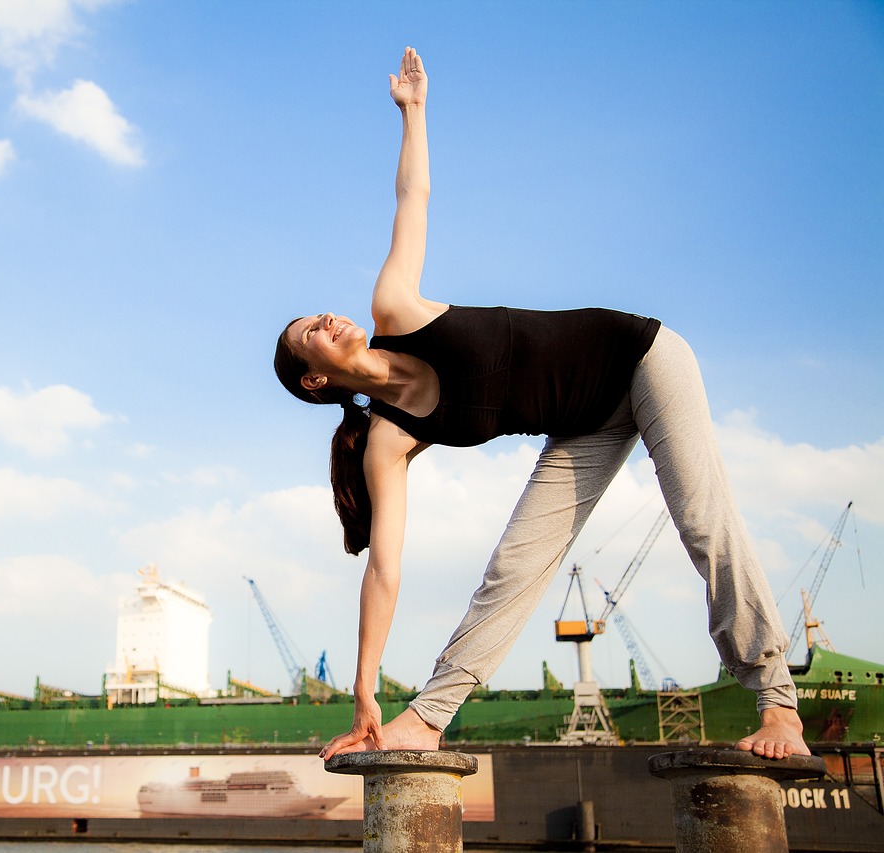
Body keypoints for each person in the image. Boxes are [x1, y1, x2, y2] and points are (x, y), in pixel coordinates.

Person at [273, 47, 809, 761]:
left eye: (318, 313)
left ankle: (778, 705)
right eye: (311, 332)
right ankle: (425, 718)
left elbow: (413, 199)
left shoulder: (395, 307)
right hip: (585, 422)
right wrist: (365, 686)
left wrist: (414, 112)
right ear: (315, 379)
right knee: (514, 566)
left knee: (701, 519)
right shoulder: (388, 441)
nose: (328, 319)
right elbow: (385, 569)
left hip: (640, 357)